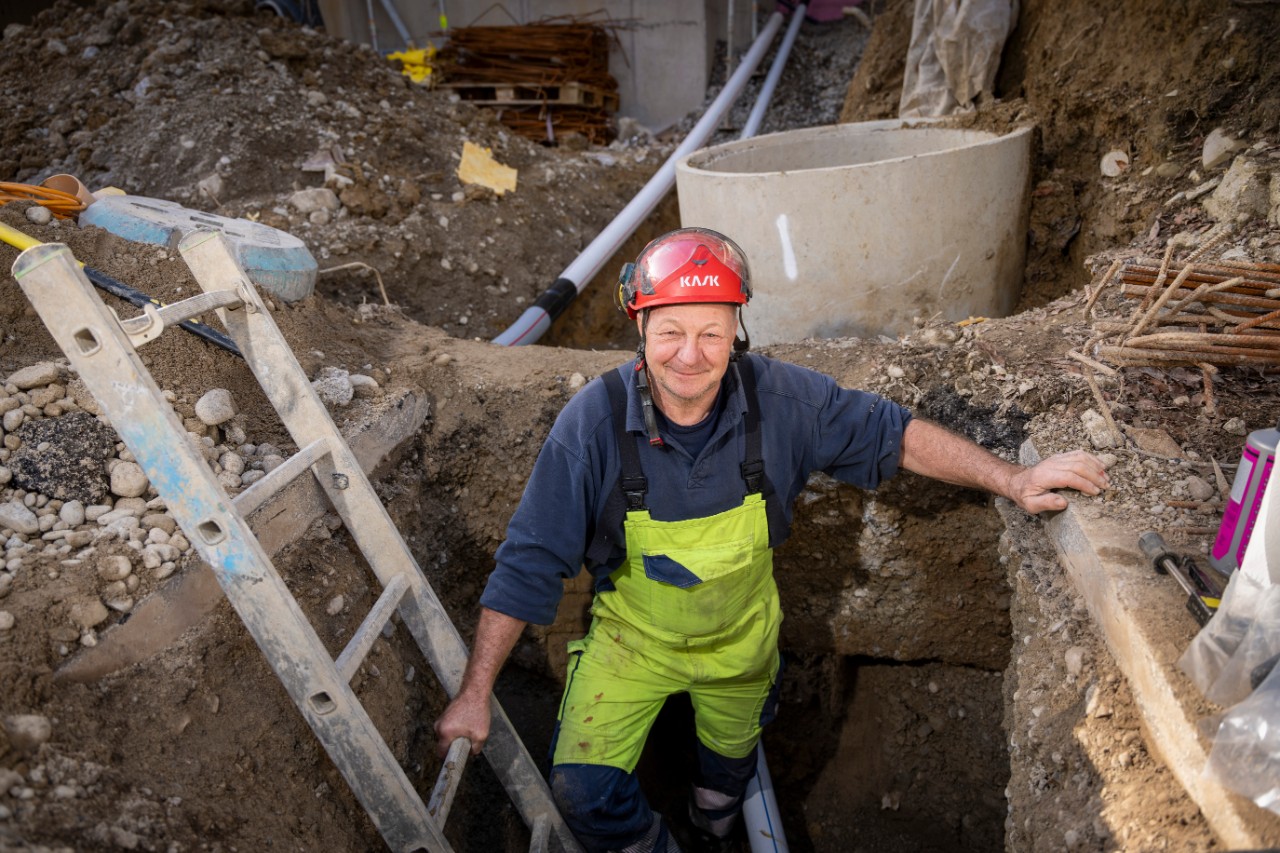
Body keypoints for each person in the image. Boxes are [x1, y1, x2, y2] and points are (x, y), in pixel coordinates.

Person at [435, 227, 1109, 852]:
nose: (690, 355)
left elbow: (896, 435)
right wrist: (474, 692)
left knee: (722, 795)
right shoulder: (593, 425)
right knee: (583, 793)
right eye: (670, 331)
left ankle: (710, 822)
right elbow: (528, 562)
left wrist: (1014, 478)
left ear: (738, 329)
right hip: (632, 643)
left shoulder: (781, 400)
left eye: (711, 332)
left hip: (741, 643)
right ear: (639, 326)